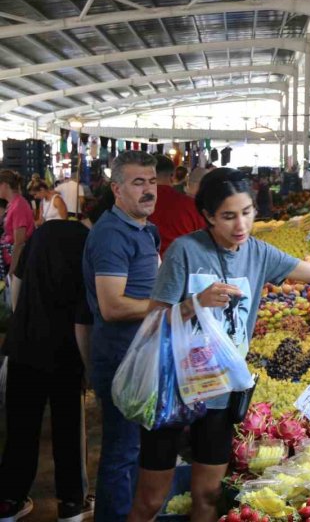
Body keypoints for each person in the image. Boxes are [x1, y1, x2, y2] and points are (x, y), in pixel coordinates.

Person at [127, 168, 310, 522]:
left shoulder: (259, 253)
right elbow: (154, 320)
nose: (240, 225)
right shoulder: (185, 252)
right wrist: (194, 303)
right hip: (173, 390)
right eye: (228, 216)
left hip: (221, 393)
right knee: (151, 500)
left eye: (247, 212)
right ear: (208, 216)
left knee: (208, 495)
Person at [82, 150, 160, 522]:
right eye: (137, 182)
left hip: (142, 354)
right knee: (121, 452)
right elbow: (112, 306)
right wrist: (170, 306)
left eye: (152, 181)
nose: (148, 190)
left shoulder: (145, 228)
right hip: (120, 359)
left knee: (135, 448)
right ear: (116, 189)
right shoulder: (112, 234)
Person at [0, 220, 93, 522]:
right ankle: (71, 504)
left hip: (24, 346)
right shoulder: (89, 242)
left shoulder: (42, 234)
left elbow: (17, 284)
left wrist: (23, 325)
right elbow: (84, 317)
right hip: (66, 352)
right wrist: (89, 367)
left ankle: (10, 501)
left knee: (20, 428)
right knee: (69, 429)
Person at [148, 155, 205, 256]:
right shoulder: (192, 205)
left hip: (142, 265)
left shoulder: (136, 204)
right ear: (173, 176)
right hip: (182, 264)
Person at [0, 170, 35, 310]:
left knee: (16, 306)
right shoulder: (12, 204)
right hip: (12, 262)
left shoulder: (18, 205)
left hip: (18, 265)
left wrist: (12, 271)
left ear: (4, 185)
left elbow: (19, 242)